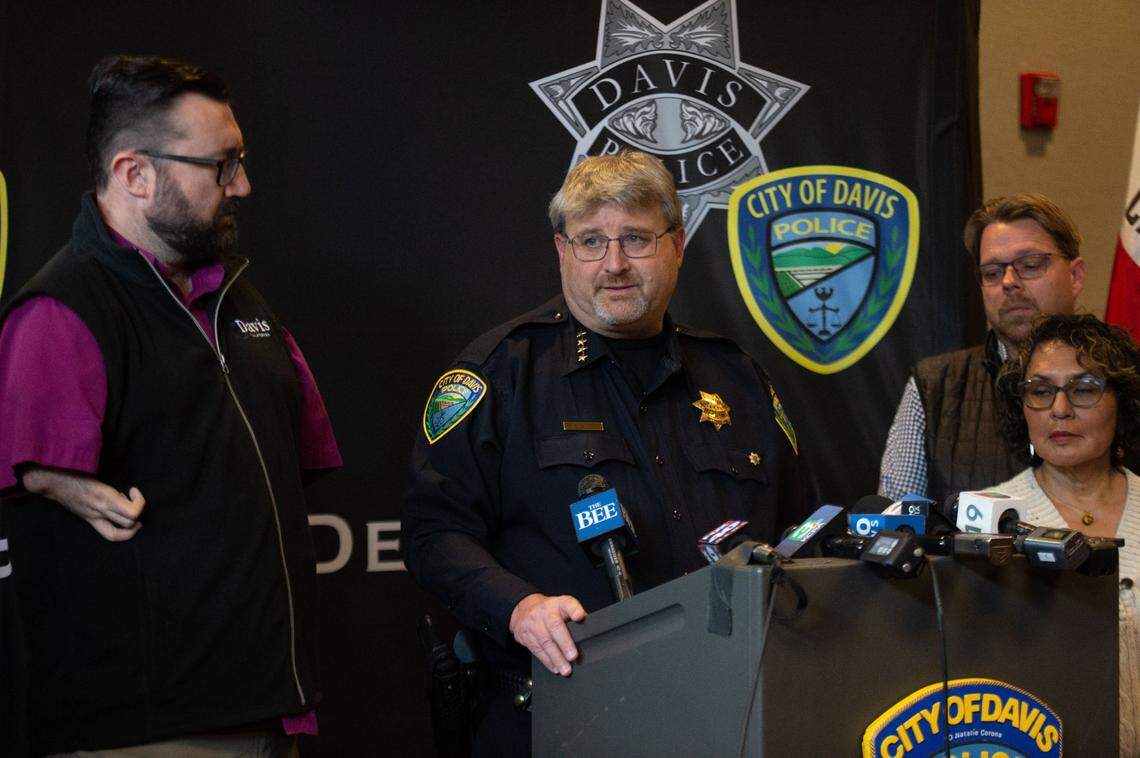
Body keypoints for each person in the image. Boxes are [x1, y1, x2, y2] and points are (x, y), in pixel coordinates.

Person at [400, 151, 814, 755]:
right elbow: (433, 531)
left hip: (728, 709)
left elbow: (801, 528)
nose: (614, 264)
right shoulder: (501, 374)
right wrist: (518, 607)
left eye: (636, 239)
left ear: (676, 245)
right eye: (591, 240)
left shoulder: (739, 378)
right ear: (562, 252)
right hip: (559, 711)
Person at [0, 56, 341, 756]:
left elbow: (293, 461)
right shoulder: (63, 313)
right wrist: (36, 472)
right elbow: (18, 460)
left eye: (239, 160)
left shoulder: (241, 302)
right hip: (154, 732)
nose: (243, 185)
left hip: (269, 711)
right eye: (220, 166)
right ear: (135, 174)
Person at [991, 314, 1140, 755]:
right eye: (1041, 391)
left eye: (1084, 389)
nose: (1060, 408)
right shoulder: (985, 517)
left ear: (1122, 401)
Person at [879, 193, 1087, 503]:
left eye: (1029, 265)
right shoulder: (935, 386)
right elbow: (892, 523)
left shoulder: (1125, 381)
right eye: (992, 273)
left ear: (1075, 276)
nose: (1008, 282)